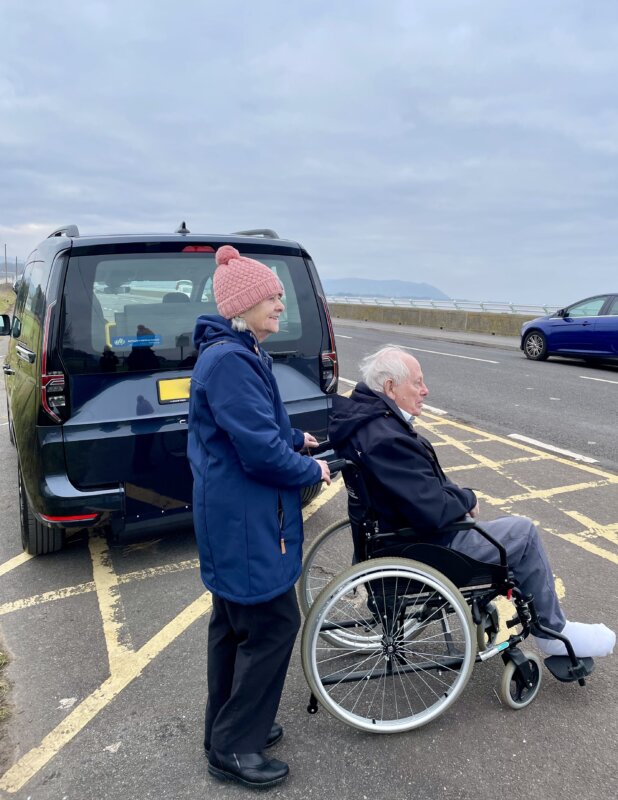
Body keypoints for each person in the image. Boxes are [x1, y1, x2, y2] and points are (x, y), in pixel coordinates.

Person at [328, 345, 615, 659]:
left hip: (391, 536)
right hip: (427, 545)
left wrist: (456, 496)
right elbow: (432, 510)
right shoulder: (387, 439)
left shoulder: (367, 423)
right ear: (390, 387)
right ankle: (553, 634)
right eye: (417, 382)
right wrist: (467, 499)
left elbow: (420, 491)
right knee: (523, 533)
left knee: (500, 530)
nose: (425, 390)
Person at [187, 245, 330, 790]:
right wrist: (311, 468)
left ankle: (226, 727)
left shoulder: (238, 352)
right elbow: (259, 453)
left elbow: (256, 426)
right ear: (242, 306)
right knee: (272, 626)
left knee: (234, 626)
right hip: (245, 522)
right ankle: (233, 747)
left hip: (235, 517)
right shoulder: (231, 361)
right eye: (271, 297)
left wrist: (296, 437)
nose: (280, 304)